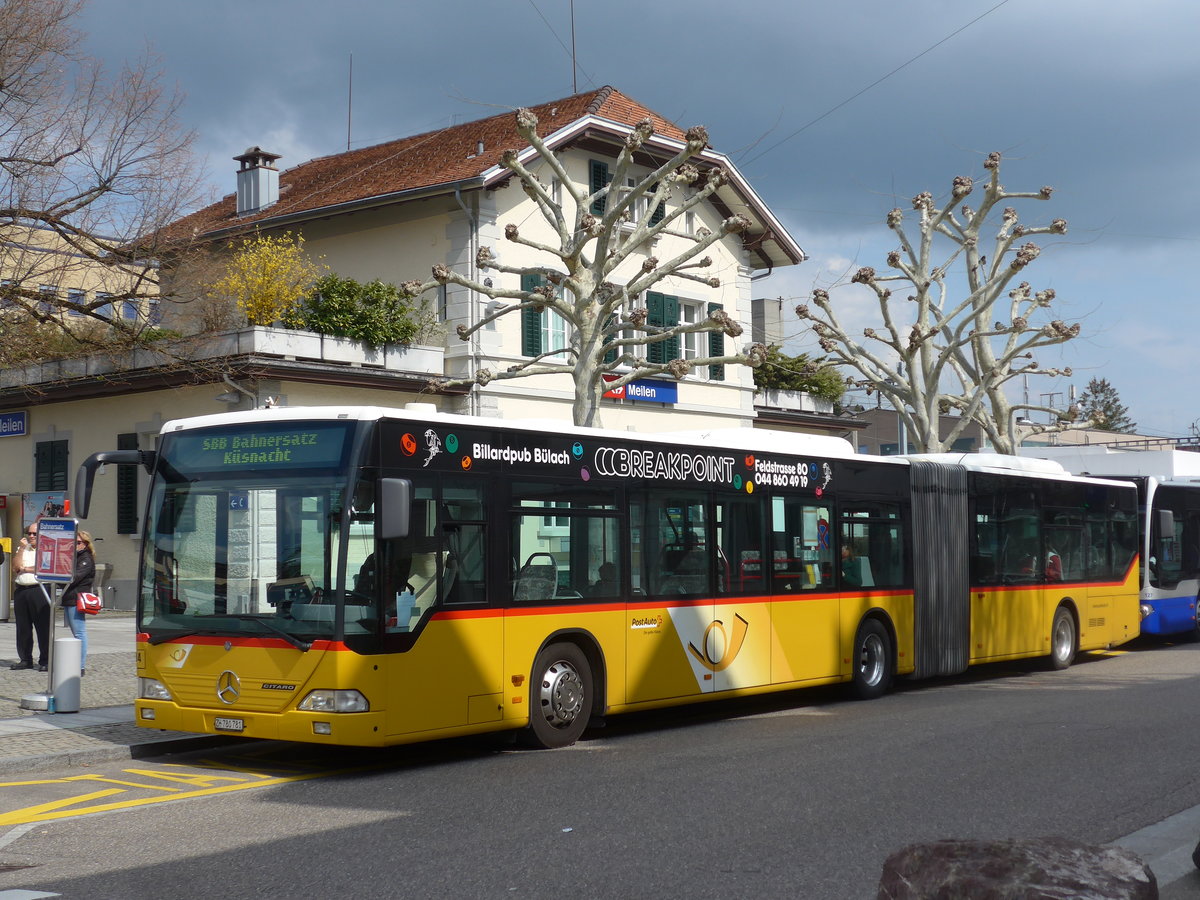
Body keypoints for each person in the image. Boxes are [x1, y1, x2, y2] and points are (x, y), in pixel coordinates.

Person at [11, 523, 49, 671]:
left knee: (42, 627)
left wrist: (25, 569)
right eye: (29, 533)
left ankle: (45, 660)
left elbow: (43, 568)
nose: (31, 536)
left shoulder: (46, 549)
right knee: (23, 627)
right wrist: (20, 549)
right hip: (22, 590)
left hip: (39, 589)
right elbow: (15, 567)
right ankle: (25, 659)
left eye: (35, 533)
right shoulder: (23, 549)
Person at [60, 530, 96, 675]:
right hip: (70, 598)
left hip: (76, 599)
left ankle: (80, 666)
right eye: (73, 541)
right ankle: (77, 664)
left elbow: (74, 577)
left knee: (79, 633)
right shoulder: (74, 557)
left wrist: (61, 577)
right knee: (76, 632)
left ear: (86, 544)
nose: (75, 544)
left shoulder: (85, 558)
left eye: (79, 542)